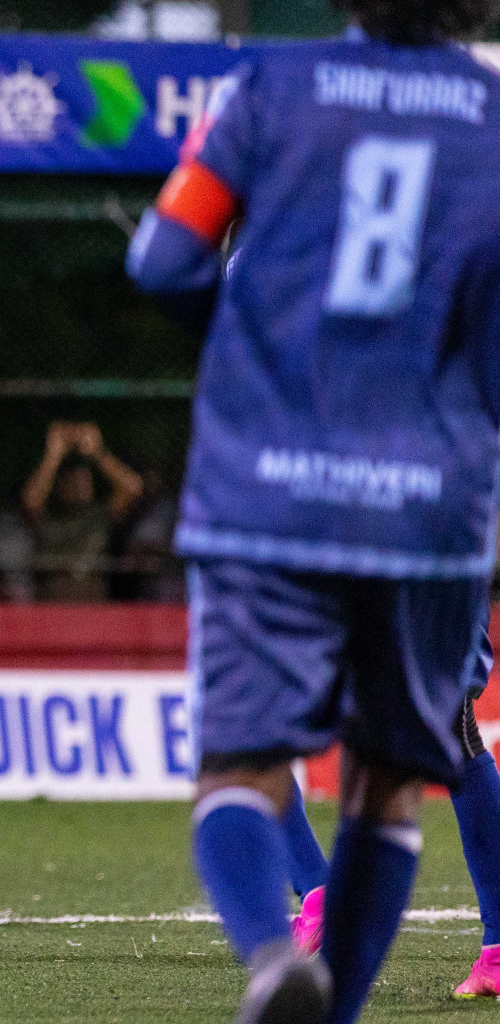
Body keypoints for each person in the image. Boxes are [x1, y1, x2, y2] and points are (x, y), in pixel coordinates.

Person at [126, 1, 500, 1021]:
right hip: (429, 508)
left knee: (238, 768)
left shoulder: (265, 90)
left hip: (267, 491)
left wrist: (258, 359)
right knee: (391, 785)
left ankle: (270, 956)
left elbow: (162, 260)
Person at [280, 626, 500, 1001]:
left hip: (343, 575)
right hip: (443, 578)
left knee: (254, 737)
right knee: (455, 732)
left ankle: (317, 891)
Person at [20, 421, 143, 602]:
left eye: (85, 480)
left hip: (92, 605)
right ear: (58, 486)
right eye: (72, 480)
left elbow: (133, 488)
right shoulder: (47, 517)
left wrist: (98, 452)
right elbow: (30, 501)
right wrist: (53, 456)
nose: (80, 486)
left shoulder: (100, 514)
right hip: (53, 604)